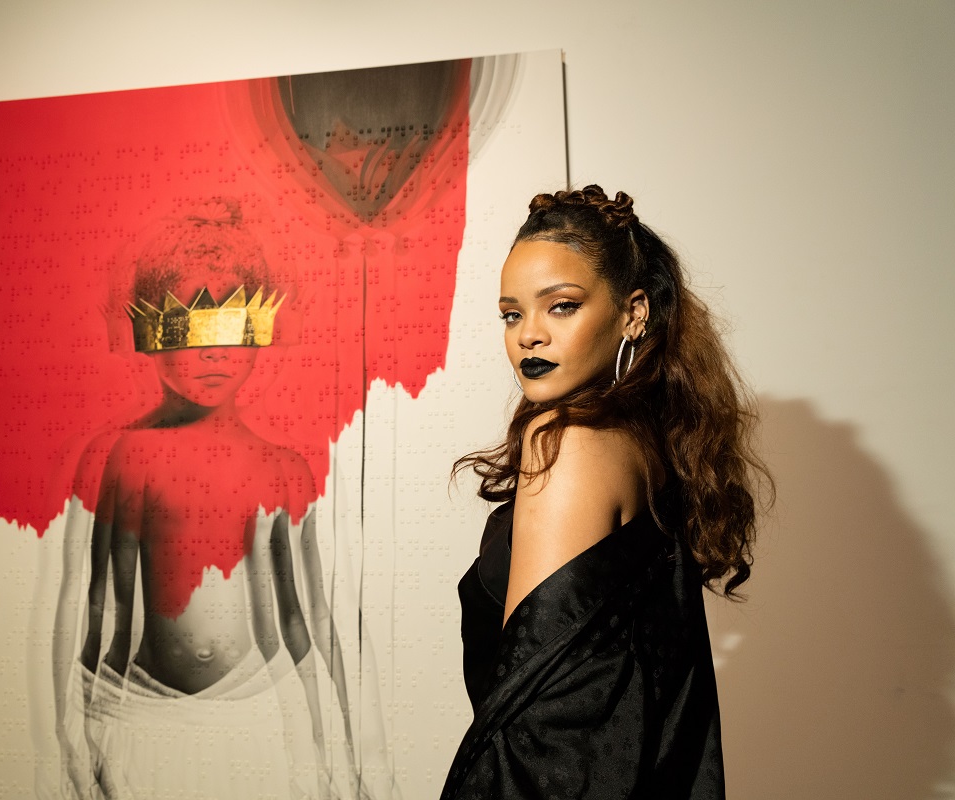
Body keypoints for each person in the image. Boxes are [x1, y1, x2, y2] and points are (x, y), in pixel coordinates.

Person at [442, 186, 770, 798]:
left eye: (561, 306)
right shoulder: (649, 445)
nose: (528, 335)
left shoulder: (566, 441)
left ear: (633, 312)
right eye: (512, 314)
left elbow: (536, 723)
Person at [52, 200, 370, 800]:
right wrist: (75, 736)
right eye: (190, 329)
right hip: (140, 717)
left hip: (254, 717)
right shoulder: (123, 456)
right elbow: (93, 603)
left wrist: (344, 755)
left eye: (233, 329)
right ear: (151, 336)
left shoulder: (282, 469)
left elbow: (307, 617)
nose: (216, 353)